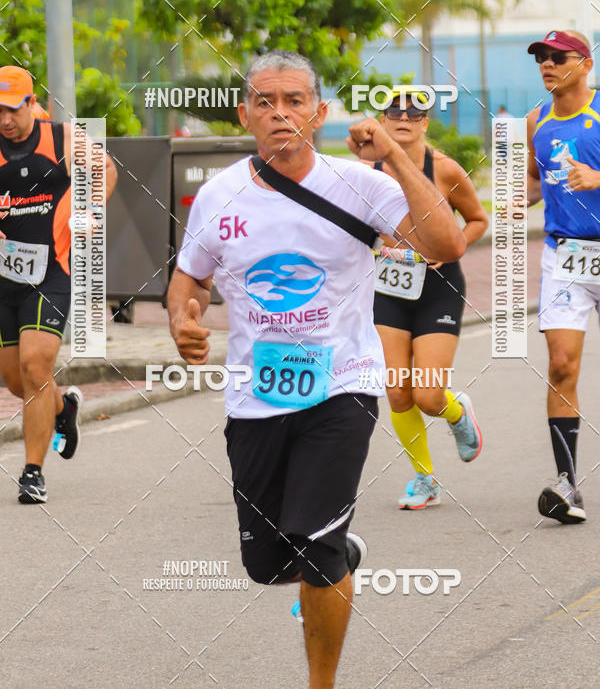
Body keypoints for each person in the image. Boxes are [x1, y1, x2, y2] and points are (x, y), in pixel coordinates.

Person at [168, 50, 465, 688]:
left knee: (315, 543)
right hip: (255, 397)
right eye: (267, 102)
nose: (281, 113)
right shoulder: (221, 195)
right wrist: (182, 322)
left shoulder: (364, 183)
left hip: (342, 385)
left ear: (320, 112)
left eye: (296, 100)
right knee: (270, 564)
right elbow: (188, 275)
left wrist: (394, 155)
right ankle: (334, 555)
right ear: (246, 113)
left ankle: (320, 681)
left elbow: (446, 244)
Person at [0, 66, 117, 503]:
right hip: (4, 275)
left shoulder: (62, 139)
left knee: (35, 366)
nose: (6, 120)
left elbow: (105, 172)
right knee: (15, 379)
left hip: (53, 270)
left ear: (32, 103)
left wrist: (89, 209)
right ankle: (63, 407)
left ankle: (32, 472)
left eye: (13, 109)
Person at [368, 89, 487, 509]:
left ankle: (456, 412)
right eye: (394, 111)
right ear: (383, 120)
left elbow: (476, 220)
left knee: (428, 396)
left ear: (425, 123)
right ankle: (425, 478)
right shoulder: (367, 171)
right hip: (390, 286)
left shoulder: (445, 170)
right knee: (398, 392)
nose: (404, 117)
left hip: (439, 288)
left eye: (414, 112)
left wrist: (448, 246)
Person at [526, 30, 600, 524]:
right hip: (564, 256)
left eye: (558, 58)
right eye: (541, 59)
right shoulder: (537, 120)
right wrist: (519, 198)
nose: (548, 66)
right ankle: (567, 484)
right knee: (560, 366)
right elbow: (535, 179)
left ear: (586, 63)